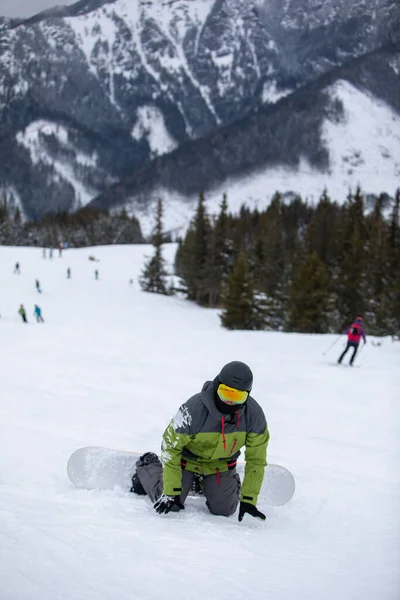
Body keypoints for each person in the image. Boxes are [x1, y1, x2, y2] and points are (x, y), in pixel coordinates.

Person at [131, 361, 270, 522]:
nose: (230, 401)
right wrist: (170, 491)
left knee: (225, 510)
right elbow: (170, 445)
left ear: (247, 395)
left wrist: (248, 500)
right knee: (171, 504)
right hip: (186, 460)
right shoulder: (193, 409)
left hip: (220, 464)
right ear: (217, 385)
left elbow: (256, 460)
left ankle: (205, 482)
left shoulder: (254, 416)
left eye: (237, 396)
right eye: (226, 393)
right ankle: (148, 465)